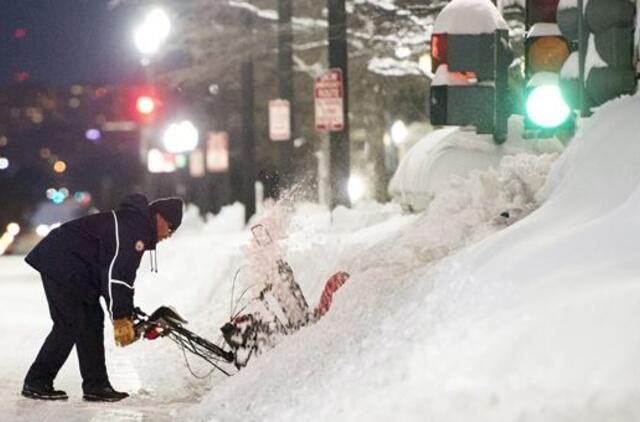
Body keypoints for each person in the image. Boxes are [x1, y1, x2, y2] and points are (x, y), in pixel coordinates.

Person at [21, 193, 183, 402]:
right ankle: (37, 381)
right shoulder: (134, 229)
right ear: (159, 217)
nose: (169, 234)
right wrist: (120, 317)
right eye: (170, 227)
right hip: (61, 261)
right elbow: (117, 277)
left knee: (91, 321)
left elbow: (118, 279)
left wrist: (126, 312)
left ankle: (96, 385)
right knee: (70, 323)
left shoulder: (135, 226)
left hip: (77, 270)